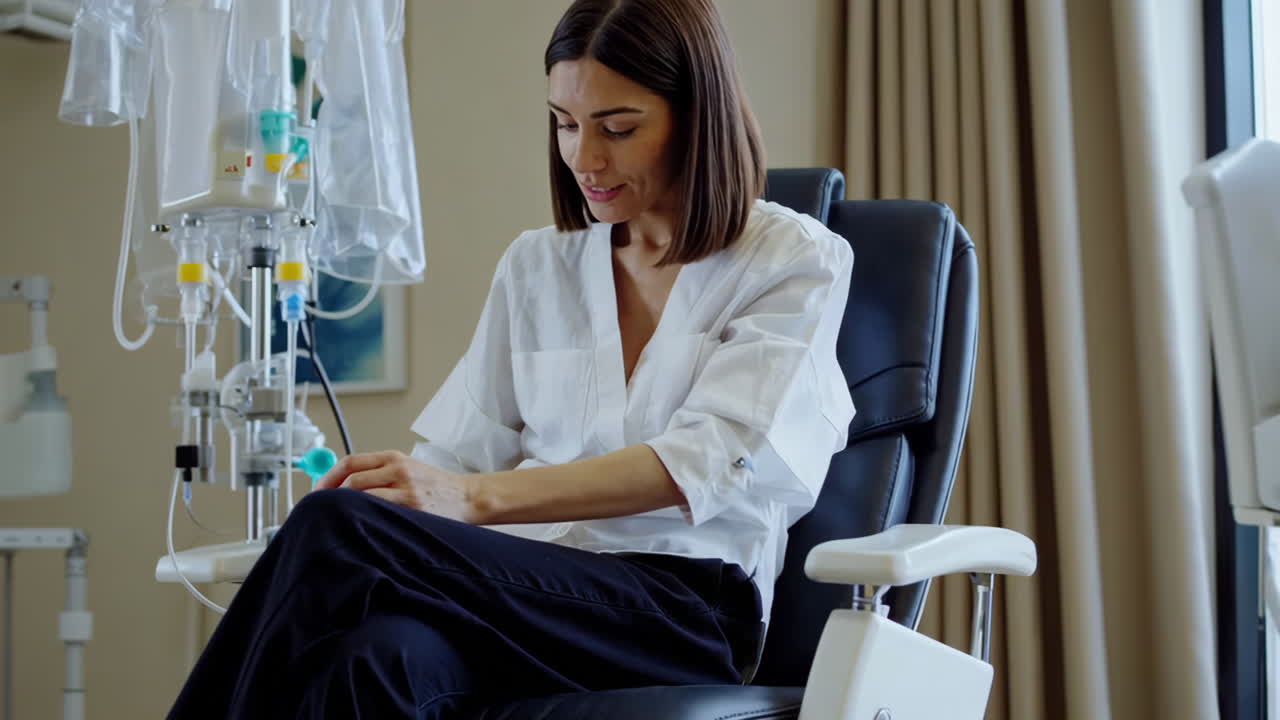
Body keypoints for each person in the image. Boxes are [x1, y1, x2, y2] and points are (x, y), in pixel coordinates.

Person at [168, 0, 854, 716]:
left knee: (336, 532)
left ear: (696, 114)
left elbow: (709, 459)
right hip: (524, 596)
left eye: (617, 128)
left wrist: (469, 499)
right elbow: (457, 458)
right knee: (372, 657)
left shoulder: (792, 260)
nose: (585, 158)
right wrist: (414, 495)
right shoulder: (537, 267)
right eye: (564, 123)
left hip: (679, 610)